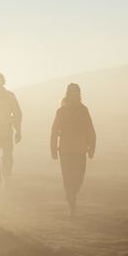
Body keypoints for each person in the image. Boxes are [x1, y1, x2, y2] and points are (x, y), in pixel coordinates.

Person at [50, 83, 96, 217]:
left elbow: (90, 129)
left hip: (80, 150)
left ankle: (72, 196)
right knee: (67, 178)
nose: (75, 95)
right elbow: (54, 130)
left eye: (77, 93)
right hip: (65, 151)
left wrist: (92, 146)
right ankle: (71, 202)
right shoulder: (61, 111)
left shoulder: (83, 110)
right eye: (72, 93)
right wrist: (53, 148)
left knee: (79, 178)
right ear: (68, 94)